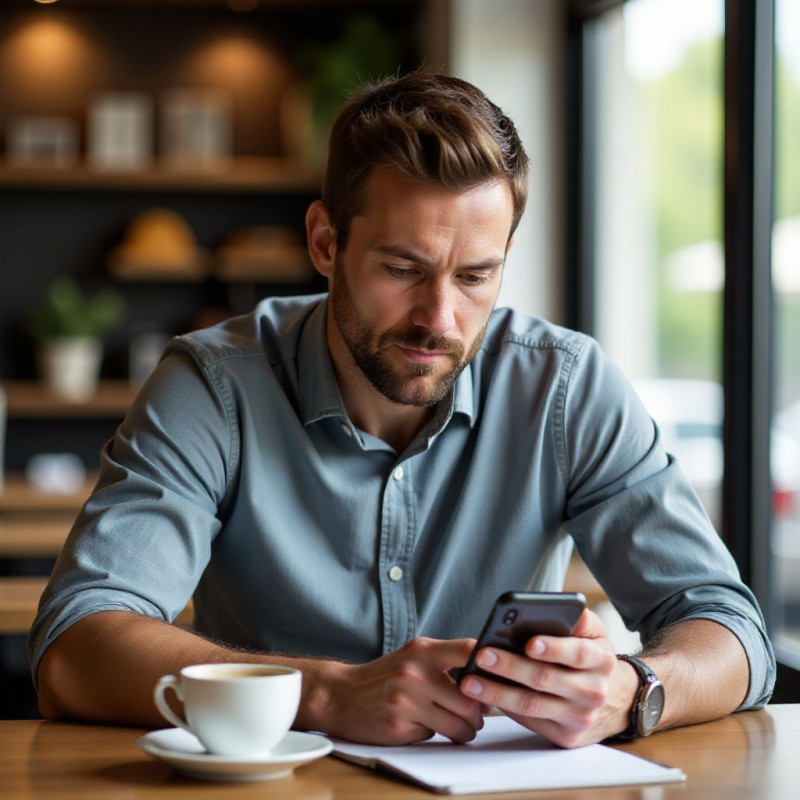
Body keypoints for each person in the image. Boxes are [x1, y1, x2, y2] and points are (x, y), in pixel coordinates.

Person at [29, 70, 774, 749]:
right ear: (325, 242)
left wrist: (633, 691)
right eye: (402, 269)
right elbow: (74, 648)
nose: (440, 319)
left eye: (476, 276)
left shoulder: (565, 386)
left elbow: (731, 630)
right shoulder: (215, 385)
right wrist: (326, 693)